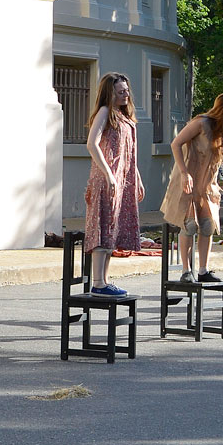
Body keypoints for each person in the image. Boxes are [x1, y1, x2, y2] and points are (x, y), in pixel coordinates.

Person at [161, 92, 223, 283]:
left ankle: (203, 270)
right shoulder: (201, 123)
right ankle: (185, 270)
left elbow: (221, 151)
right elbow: (176, 144)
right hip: (189, 180)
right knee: (190, 225)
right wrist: (183, 172)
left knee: (207, 226)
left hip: (208, 184)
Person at [83, 73, 146, 296]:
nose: (125, 95)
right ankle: (98, 282)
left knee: (112, 229)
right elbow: (92, 144)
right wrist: (108, 173)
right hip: (106, 179)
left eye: (126, 90)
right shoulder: (105, 112)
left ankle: (104, 280)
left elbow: (128, 153)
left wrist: (135, 177)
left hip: (122, 180)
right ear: (109, 93)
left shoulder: (124, 116)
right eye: (120, 92)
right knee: (103, 226)